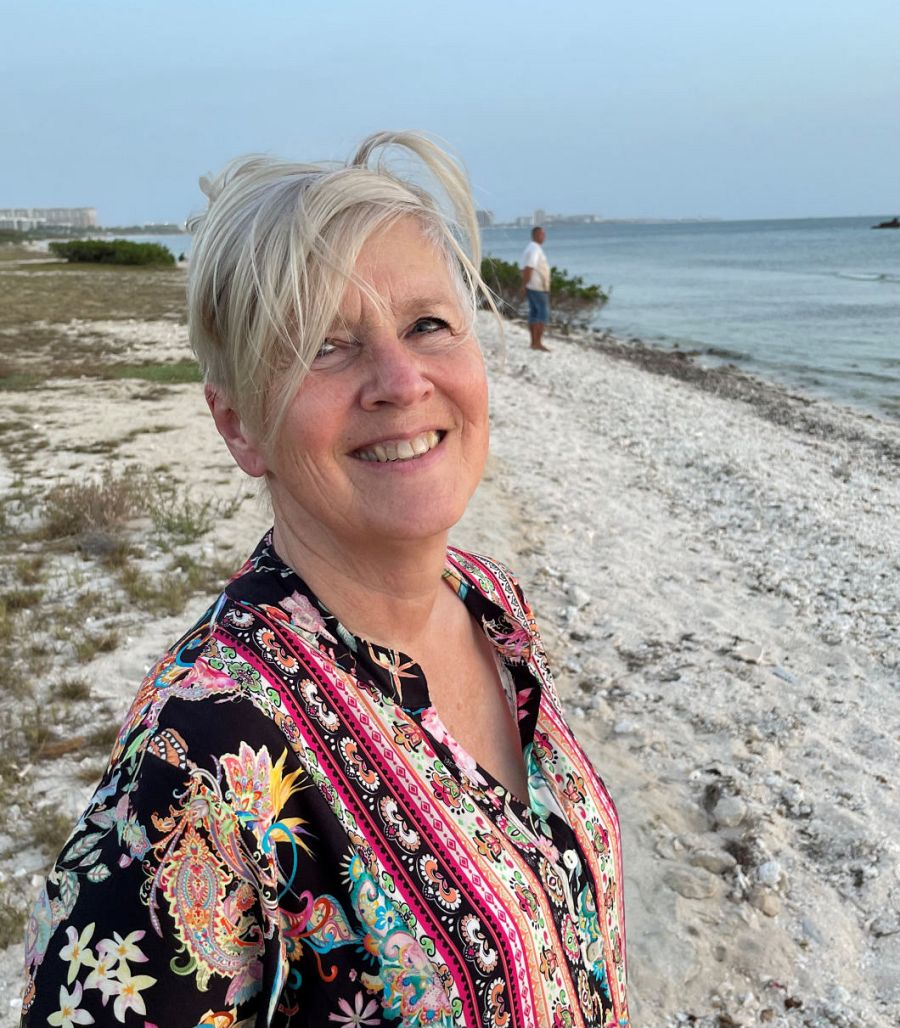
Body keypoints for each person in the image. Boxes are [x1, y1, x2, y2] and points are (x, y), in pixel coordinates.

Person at [21, 133, 628, 1027]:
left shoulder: (490, 603)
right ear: (240, 426)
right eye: (325, 346)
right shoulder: (200, 756)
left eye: (427, 325)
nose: (400, 382)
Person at [521, 225, 551, 351]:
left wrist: (525, 285)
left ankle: (534, 342)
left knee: (534, 313)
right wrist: (524, 284)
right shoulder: (534, 249)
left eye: (544, 234)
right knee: (542, 314)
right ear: (535, 235)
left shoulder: (531, 248)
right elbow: (529, 267)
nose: (544, 237)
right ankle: (537, 342)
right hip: (537, 287)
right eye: (542, 234)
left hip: (533, 286)